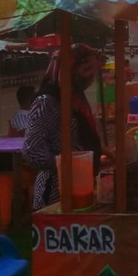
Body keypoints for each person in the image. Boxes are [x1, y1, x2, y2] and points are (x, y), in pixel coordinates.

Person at [23, 44, 114, 210]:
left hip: (81, 186)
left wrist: (101, 152)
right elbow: (32, 151)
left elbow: (76, 139)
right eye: (86, 71)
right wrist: (70, 165)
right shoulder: (47, 101)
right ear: (69, 69)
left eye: (92, 73)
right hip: (55, 190)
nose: (90, 78)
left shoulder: (76, 99)